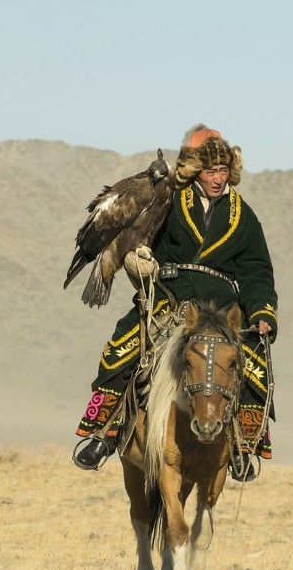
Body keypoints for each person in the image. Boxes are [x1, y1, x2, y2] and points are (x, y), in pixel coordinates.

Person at [72, 125, 278, 482]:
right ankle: (104, 431)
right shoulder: (168, 198)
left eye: (223, 171)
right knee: (122, 347)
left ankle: (245, 444)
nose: (217, 178)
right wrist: (139, 262)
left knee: (253, 365)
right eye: (211, 171)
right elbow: (140, 234)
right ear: (196, 170)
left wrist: (262, 311)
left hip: (223, 308)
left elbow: (256, 270)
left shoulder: (244, 216)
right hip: (170, 298)